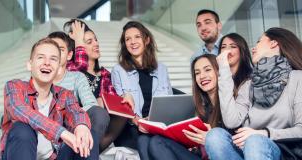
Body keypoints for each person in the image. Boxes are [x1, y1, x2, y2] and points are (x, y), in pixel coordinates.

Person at [139, 33, 253, 160]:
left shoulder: (234, 100)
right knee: (144, 140)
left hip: (226, 153)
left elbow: (240, 143)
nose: (202, 76)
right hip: (201, 155)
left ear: (219, 71)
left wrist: (210, 140)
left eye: (207, 70)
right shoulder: (203, 105)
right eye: (197, 73)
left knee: (157, 143)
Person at [205, 27, 302, 160]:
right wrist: (224, 68)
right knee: (214, 136)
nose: (253, 48)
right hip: (247, 151)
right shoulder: (248, 85)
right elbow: (231, 121)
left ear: (273, 43)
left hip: (282, 151)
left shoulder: (298, 78)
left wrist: (264, 134)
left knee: (255, 141)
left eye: (258, 41)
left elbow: (300, 130)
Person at [0, 38, 98, 160]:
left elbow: (76, 111)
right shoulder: (15, 86)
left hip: (54, 157)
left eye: (53, 59)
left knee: (86, 135)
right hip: (19, 153)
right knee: (22, 129)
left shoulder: (64, 94)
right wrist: (61, 132)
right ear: (30, 65)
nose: (47, 62)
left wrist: (81, 125)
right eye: (41, 57)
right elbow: (19, 109)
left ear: (58, 68)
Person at [110, 21, 173, 150]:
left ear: (147, 40)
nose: (132, 42)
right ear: (125, 44)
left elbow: (169, 102)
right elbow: (119, 107)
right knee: (148, 142)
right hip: (132, 127)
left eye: (137, 37)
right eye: (128, 39)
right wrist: (136, 120)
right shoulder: (118, 70)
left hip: (158, 124)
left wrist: (155, 121)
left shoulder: (162, 69)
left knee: (160, 142)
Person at [48, 31, 110, 147]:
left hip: (73, 130)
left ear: (69, 55)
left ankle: (87, 151)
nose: (55, 53)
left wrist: (75, 117)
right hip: (48, 132)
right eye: (51, 49)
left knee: (99, 113)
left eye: (60, 49)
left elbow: (91, 104)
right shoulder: (37, 78)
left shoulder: (77, 77)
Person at [63, 19, 116, 107]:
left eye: (96, 40)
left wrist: (104, 101)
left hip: (104, 119)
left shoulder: (105, 75)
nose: (96, 43)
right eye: (89, 42)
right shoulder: (70, 68)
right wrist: (78, 40)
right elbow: (80, 65)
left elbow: (114, 105)